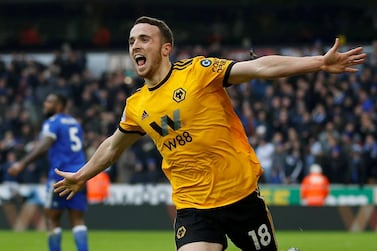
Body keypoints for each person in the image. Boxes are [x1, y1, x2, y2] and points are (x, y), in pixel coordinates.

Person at [53, 16, 366, 251]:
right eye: (132, 40)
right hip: (193, 206)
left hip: (239, 196)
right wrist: (82, 175)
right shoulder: (136, 104)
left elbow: (258, 68)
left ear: (165, 49)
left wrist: (318, 63)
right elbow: (113, 146)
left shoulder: (198, 71)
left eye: (144, 39)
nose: (136, 44)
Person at [8, 93, 89, 251]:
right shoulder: (75, 123)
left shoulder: (53, 122)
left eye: (49, 102)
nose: (45, 104)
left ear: (59, 106)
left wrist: (22, 163)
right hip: (79, 175)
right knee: (78, 220)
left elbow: (46, 144)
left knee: (52, 219)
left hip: (60, 177)